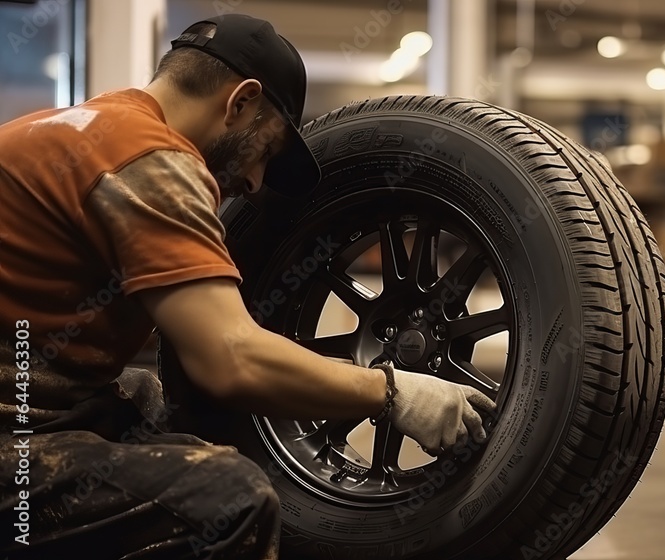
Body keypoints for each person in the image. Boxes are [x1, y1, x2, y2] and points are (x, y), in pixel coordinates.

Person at [0, 14, 495, 559]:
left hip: (32, 399)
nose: (255, 182)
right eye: (265, 150)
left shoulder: (80, 126)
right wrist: (393, 393)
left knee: (157, 404)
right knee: (231, 498)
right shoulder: (151, 162)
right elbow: (230, 359)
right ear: (241, 101)